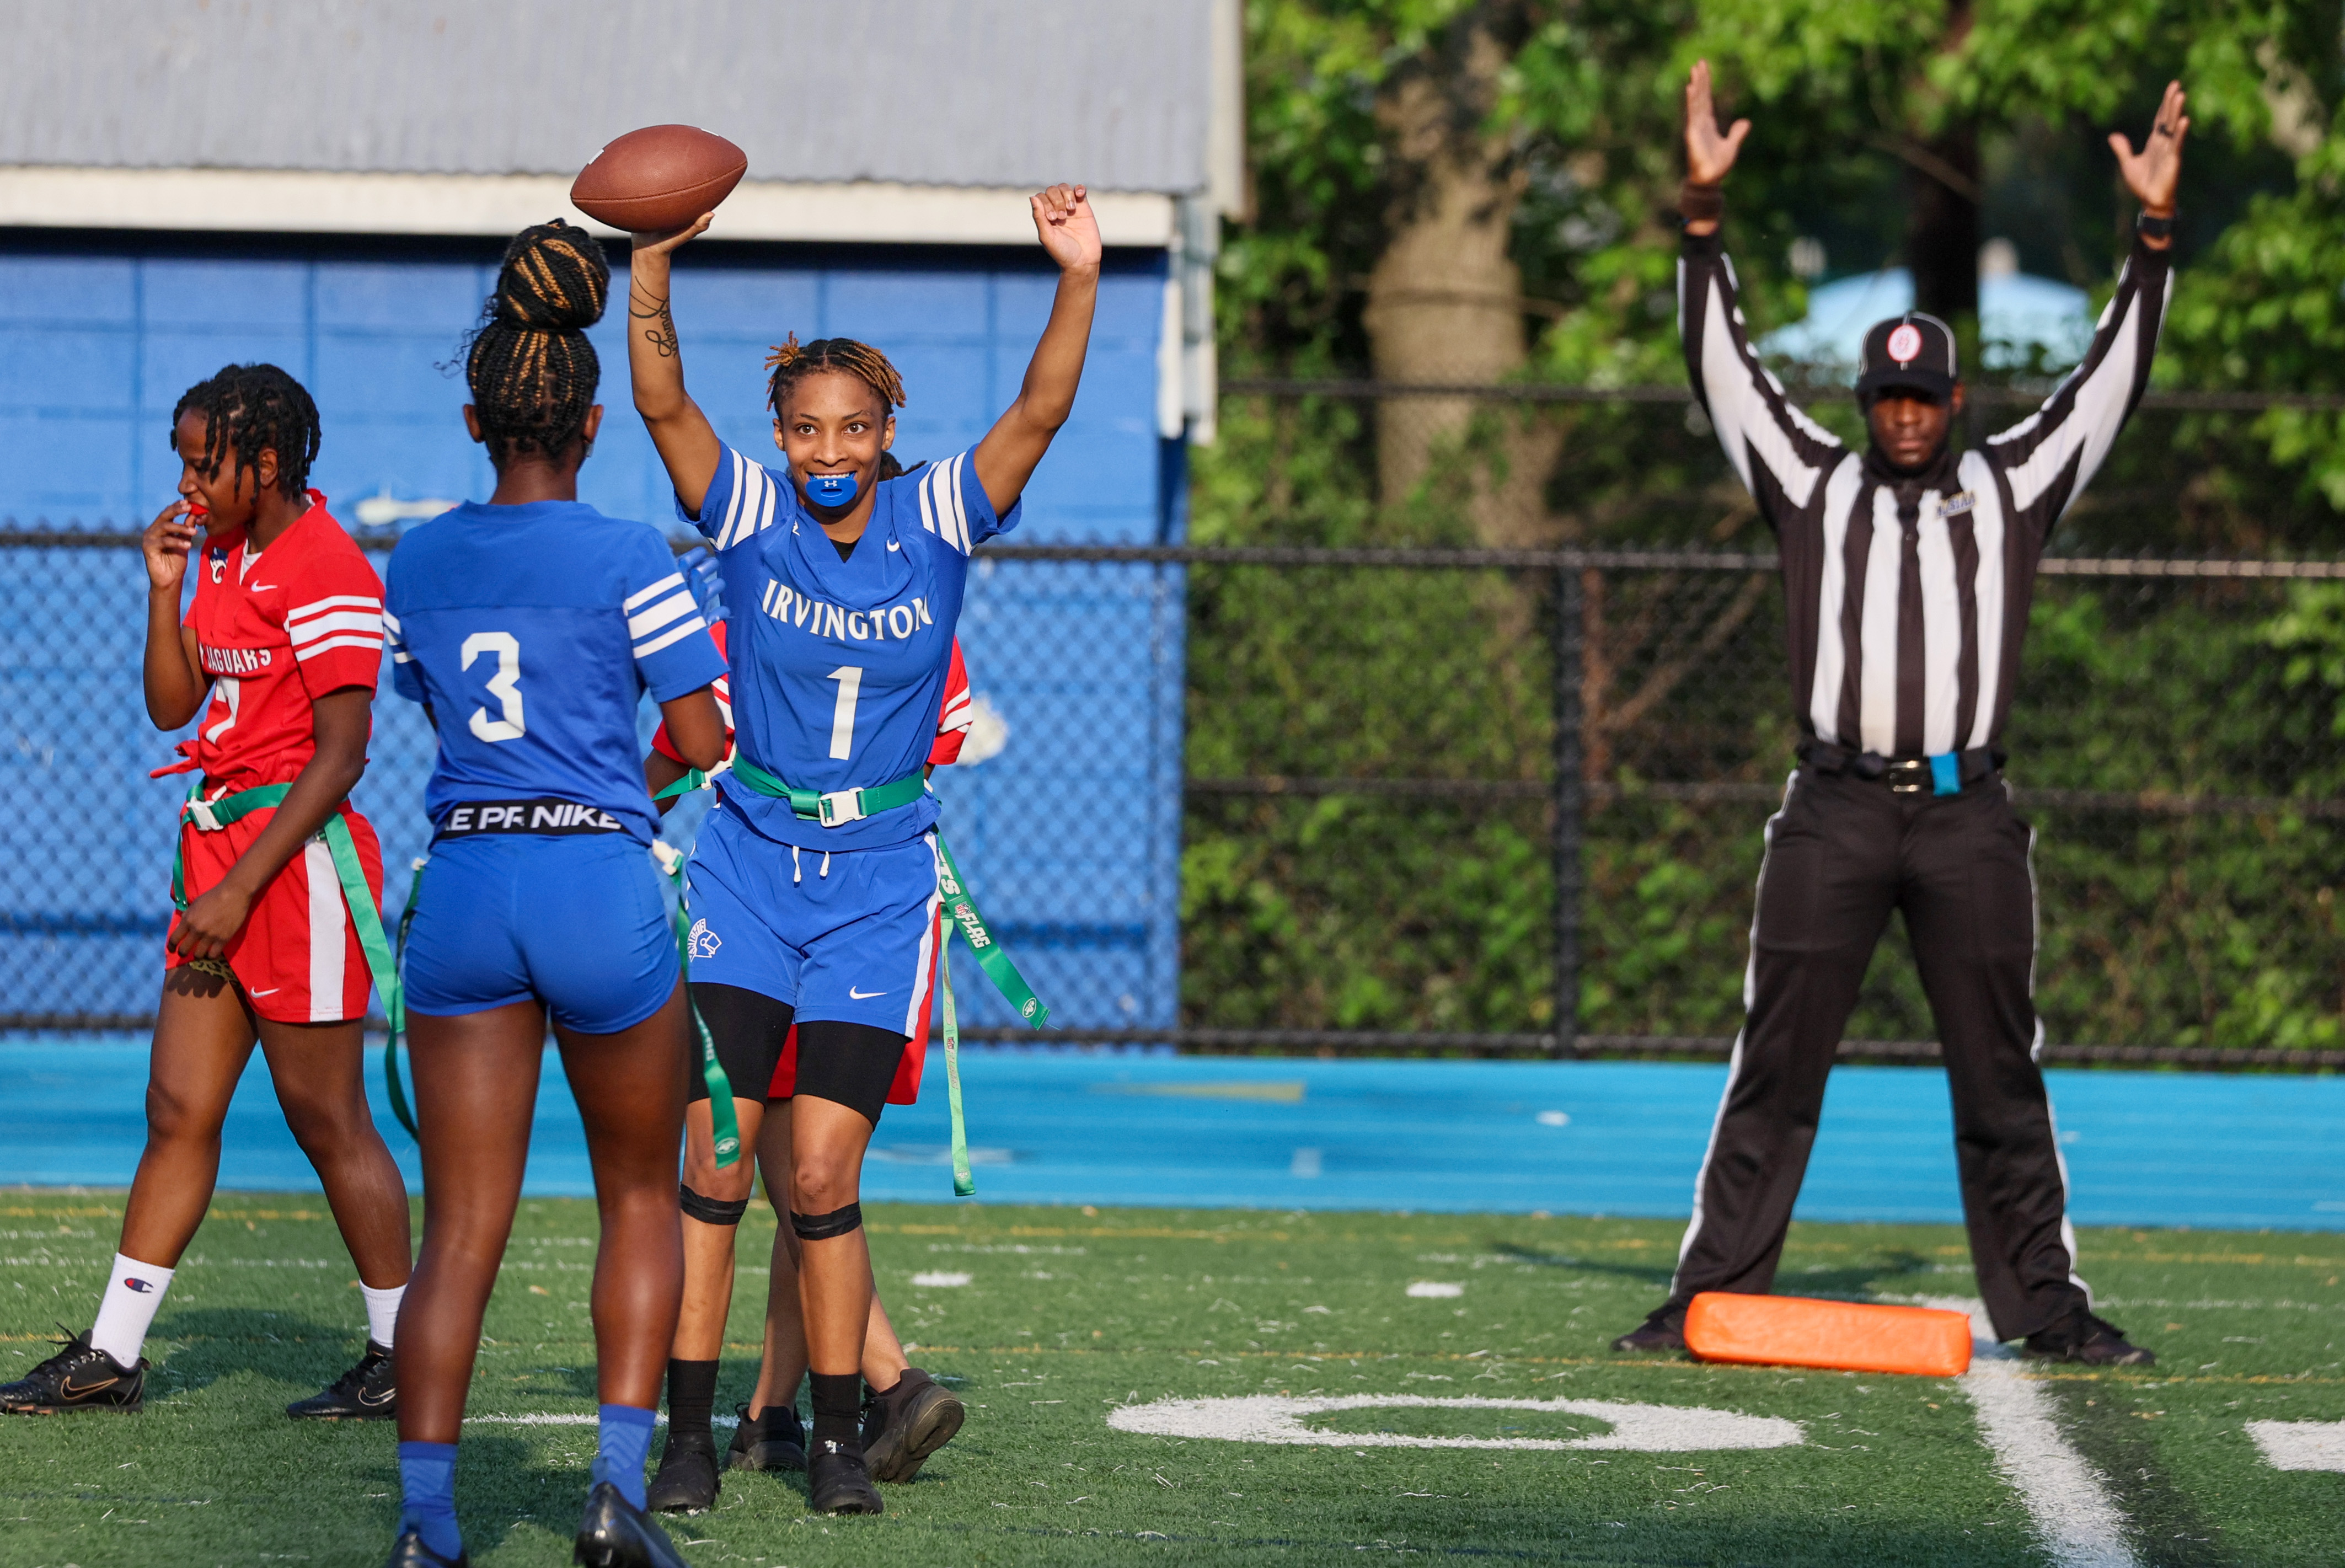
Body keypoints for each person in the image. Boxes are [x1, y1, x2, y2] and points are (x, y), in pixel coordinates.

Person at [1611, 64, 2188, 1368]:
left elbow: (2108, 381)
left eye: (1925, 398)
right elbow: (1723, 367)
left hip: (1967, 813)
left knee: (1999, 1074)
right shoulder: (1813, 487)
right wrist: (1699, 220)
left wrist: (2149, 238)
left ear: (1954, 404)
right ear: (1866, 405)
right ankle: (1707, 1293)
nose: (1909, 415)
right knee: (1777, 1061)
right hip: (1831, 806)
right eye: (1889, 399)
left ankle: (2043, 1307)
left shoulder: (2014, 484)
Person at [625, 180, 1098, 1513]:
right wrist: (648, 276)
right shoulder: (748, 517)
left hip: (878, 888)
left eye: (853, 426)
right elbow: (664, 408)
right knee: (717, 1159)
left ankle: (836, 1437)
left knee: (822, 1171)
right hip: (748, 867)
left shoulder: (940, 516)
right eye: (805, 426)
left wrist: (1076, 276)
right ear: (779, 434)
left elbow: (1041, 413)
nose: (829, 447)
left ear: (887, 431)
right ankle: (690, 1438)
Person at [376, 220, 727, 1568]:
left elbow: (435, 698)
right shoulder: (631, 554)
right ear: (589, 421)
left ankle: (425, 1529)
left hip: (464, 884)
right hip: (594, 877)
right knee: (641, 1200)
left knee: (460, 1228)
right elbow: (698, 740)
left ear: (477, 418)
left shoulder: (416, 560)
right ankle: (613, 1499)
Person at [0, 366, 413, 1422]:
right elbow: (172, 704)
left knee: (328, 1117)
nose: (187, 481)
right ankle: (114, 1353)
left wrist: (237, 888)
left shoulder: (326, 566)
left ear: (265, 463)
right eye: (183, 459)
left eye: (204, 461)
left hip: (297, 866)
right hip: (218, 854)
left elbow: (344, 754)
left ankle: (401, 1352)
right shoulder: (220, 552)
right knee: (177, 1107)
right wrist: (162, 589)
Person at [641, 622, 975, 1513]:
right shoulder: (759, 586)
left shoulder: (915, 599)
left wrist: (634, 801)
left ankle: (868, 1388)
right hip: (754, 896)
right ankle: (772, 1411)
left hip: (864, 905)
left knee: (808, 1171)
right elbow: (696, 735)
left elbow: (685, 743)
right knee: (754, 1160)